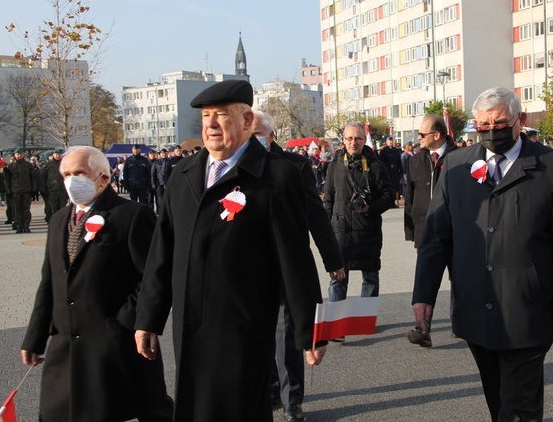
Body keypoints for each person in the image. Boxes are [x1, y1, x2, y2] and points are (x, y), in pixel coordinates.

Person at [134, 80, 327, 421]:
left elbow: (295, 259)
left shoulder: (275, 177)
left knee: (239, 409)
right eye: (206, 116)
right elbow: (162, 250)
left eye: (221, 116)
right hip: (189, 327)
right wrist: (148, 317)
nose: (210, 125)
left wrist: (310, 330)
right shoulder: (184, 173)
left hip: (242, 328)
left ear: (247, 121)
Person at [412, 87, 553, 421]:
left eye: (500, 123)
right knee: (498, 399)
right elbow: (436, 238)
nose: (492, 131)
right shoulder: (457, 165)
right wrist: (424, 296)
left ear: (520, 120)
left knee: (518, 406)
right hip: (476, 307)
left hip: (529, 310)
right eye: (483, 126)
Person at [21, 146, 173, 422]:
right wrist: (35, 336)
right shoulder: (58, 221)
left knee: (131, 406)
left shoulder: (131, 215)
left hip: (113, 341)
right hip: (66, 343)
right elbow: (50, 282)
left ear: (103, 178)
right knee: (59, 411)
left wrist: (127, 320)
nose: (71, 180)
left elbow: (153, 276)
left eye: (79, 173)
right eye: (66, 174)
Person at [252, 110, 344, 422]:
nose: (251, 141)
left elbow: (315, 215)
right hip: (250, 268)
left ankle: (292, 400)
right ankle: (268, 386)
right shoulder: (236, 167)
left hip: (286, 264)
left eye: (256, 135)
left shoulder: (295, 166)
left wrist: (333, 260)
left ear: (270, 135)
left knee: (286, 332)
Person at [323, 123, 395, 308]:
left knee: (370, 277)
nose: (353, 142)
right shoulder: (334, 166)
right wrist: (330, 227)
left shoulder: (376, 166)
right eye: (349, 138)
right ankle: (336, 321)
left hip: (367, 231)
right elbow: (328, 199)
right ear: (343, 141)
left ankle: (365, 319)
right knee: (337, 278)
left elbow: (388, 196)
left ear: (364, 140)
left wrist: (370, 208)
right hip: (340, 232)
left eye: (358, 138)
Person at [404, 114, 457, 348]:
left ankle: (462, 324)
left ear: (437, 135)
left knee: (460, 280)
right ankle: (423, 329)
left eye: (422, 134)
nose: (419, 138)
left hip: (456, 231)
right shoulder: (416, 160)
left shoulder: (460, 157)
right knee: (426, 280)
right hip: (426, 230)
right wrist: (411, 228)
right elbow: (411, 195)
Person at [6, 148, 36, 233]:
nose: (19, 155)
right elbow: (7, 179)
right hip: (15, 191)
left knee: (26, 210)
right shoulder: (11, 166)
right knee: (17, 210)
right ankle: (18, 226)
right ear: (15, 155)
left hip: (26, 190)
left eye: (21, 154)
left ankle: (26, 226)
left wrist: (34, 190)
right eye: (17, 154)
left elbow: (33, 178)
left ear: (23, 155)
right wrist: (8, 191)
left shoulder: (28, 165)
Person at [378, 135, 403, 207]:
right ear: (386, 141)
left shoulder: (396, 150)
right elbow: (382, 162)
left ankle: (394, 201)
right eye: (389, 140)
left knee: (395, 187)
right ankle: (389, 202)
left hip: (395, 171)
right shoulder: (383, 151)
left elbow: (399, 162)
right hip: (387, 171)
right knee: (389, 187)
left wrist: (401, 171)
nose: (391, 142)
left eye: (392, 140)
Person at [45, 149, 69, 220]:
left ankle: (62, 221)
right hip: (52, 189)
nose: (58, 156)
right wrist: (44, 188)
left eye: (59, 154)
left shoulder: (65, 164)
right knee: (54, 207)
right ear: (53, 155)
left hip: (63, 189)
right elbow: (43, 177)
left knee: (63, 207)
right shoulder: (48, 165)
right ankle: (55, 221)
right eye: (56, 154)